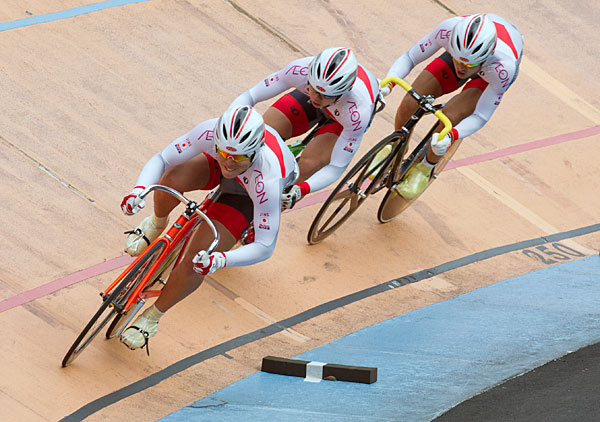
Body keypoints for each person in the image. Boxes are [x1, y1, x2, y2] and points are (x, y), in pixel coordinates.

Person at [119, 105, 297, 350]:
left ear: (255, 151)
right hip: (227, 170)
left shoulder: (268, 180)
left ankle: (153, 316)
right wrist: (139, 190)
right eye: (224, 152)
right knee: (171, 177)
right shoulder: (210, 134)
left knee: (196, 260)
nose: (230, 162)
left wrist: (219, 260)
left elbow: (265, 246)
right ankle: (156, 222)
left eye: (239, 156)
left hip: (247, 193)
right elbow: (162, 159)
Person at [385, 13, 523, 198]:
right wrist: (388, 83)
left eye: (469, 64)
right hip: (468, 52)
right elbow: (410, 57)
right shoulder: (448, 30)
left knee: (450, 117)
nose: (461, 68)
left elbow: (481, 116)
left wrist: (451, 135)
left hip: (488, 73)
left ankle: (425, 169)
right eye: (457, 60)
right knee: (411, 100)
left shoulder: (503, 68)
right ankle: (397, 146)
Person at [229, 47, 382, 209]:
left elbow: (336, 167)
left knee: (309, 165)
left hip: (341, 119)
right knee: (262, 134)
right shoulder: (299, 70)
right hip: (315, 98)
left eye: (324, 95)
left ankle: (265, 213)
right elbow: (251, 96)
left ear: (344, 91)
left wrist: (302, 189)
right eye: (313, 89)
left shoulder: (357, 112)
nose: (316, 97)